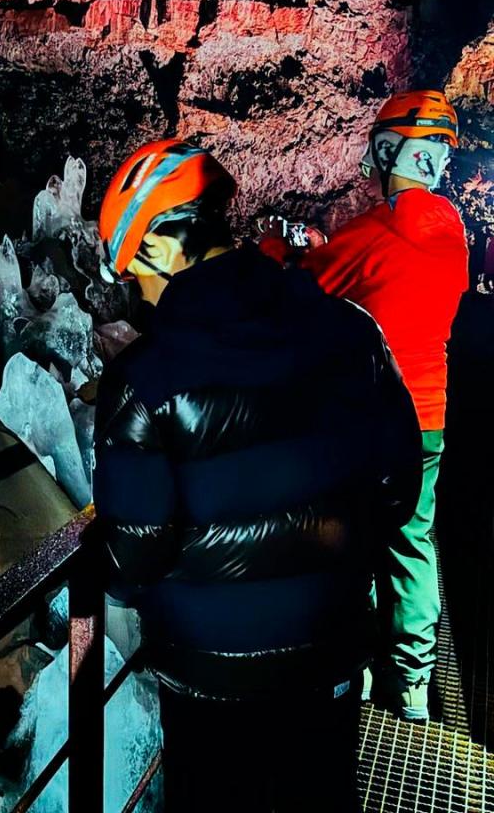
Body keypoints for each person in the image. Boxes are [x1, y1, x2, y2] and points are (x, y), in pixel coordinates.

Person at [93, 138, 422, 812]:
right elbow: (398, 490)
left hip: (209, 686)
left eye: (135, 275)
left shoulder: (145, 381)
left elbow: (131, 561)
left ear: (158, 248)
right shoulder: (352, 332)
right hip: (326, 661)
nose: (141, 297)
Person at [292, 91, 470, 721]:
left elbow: (308, 289)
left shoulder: (368, 232)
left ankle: (356, 675)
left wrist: (294, 249)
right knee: (415, 544)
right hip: (430, 421)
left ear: (390, 148)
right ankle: (414, 689)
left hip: (371, 423)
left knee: (354, 540)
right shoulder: (455, 232)